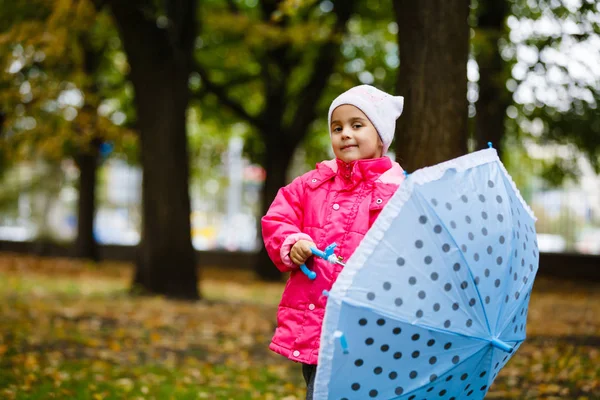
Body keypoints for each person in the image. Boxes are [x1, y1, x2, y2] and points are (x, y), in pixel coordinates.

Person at [261, 85, 406, 399]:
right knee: (320, 391)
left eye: (357, 125)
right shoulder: (313, 185)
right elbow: (278, 218)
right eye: (337, 127)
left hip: (369, 325)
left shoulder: (399, 193)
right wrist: (293, 241)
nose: (344, 134)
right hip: (318, 323)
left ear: (381, 135)